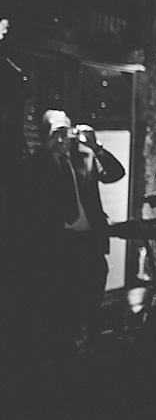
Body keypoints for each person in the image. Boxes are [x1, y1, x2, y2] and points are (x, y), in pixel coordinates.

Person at [16, 110, 126, 358]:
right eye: (58, 131)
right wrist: (49, 150)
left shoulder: (83, 159)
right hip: (58, 242)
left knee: (93, 286)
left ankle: (76, 334)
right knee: (60, 294)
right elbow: (29, 188)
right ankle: (62, 344)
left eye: (67, 130)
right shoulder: (38, 163)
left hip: (87, 240)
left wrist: (95, 146)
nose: (64, 138)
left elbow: (115, 173)